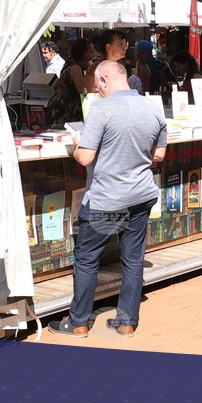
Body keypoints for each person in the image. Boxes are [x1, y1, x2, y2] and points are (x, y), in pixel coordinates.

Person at [48, 61, 166, 338]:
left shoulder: (101, 109)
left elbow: (85, 157)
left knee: (88, 259)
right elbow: (159, 155)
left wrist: (77, 142)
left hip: (107, 198)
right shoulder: (152, 107)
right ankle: (127, 322)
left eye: (97, 84)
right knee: (133, 259)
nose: (96, 90)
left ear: (103, 79)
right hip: (141, 194)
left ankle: (78, 322)